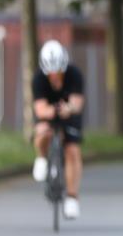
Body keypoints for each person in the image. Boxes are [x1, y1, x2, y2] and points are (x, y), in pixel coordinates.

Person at [31, 40, 85, 219]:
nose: (54, 75)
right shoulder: (38, 79)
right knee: (42, 132)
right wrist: (52, 111)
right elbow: (40, 109)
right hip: (48, 112)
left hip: (69, 114)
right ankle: (41, 158)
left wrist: (69, 109)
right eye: (51, 73)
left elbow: (77, 103)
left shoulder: (75, 74)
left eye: (58, 72)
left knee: (72, 151)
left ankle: (72, 198)